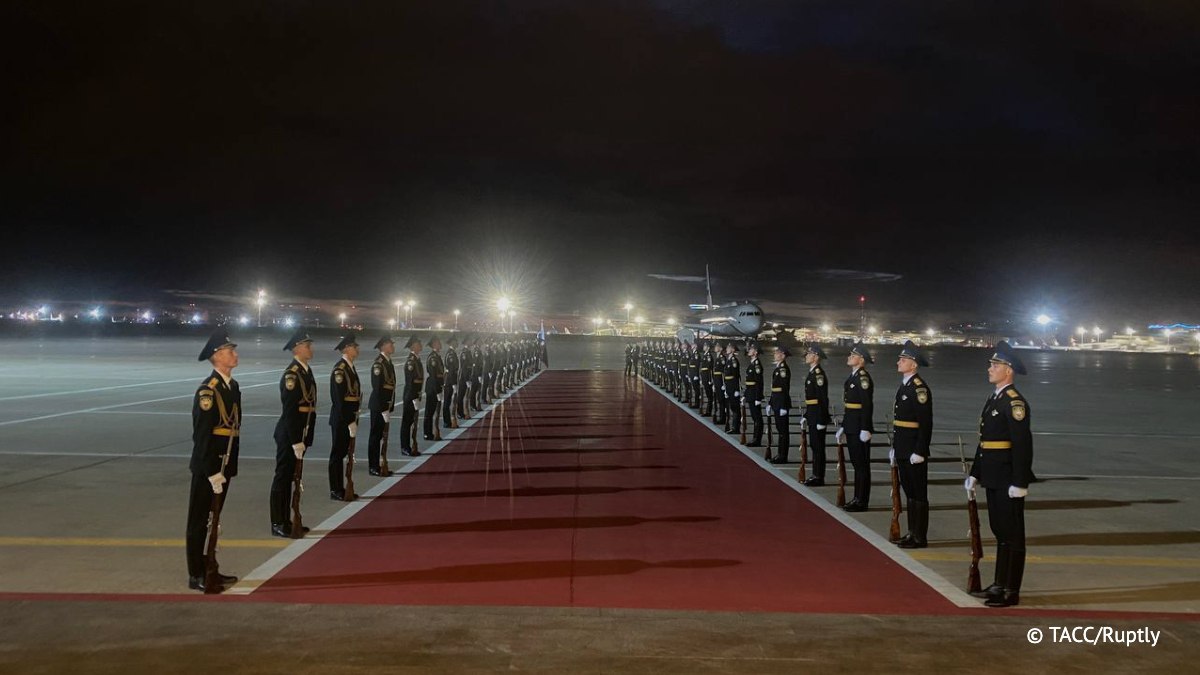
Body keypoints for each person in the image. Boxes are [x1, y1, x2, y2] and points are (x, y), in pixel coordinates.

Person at [966, 341, 1033, 607]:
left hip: (1007, 478)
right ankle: (998, 583)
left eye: (995, 365)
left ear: (1009, 370)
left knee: (1012, 535)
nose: (990, 368)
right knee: (1000, 532)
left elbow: (1022, 445)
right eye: (991, 364)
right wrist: (975, 473)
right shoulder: (995, 399)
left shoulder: (1015, 403)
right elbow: (985, 441)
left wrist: (1020, 481)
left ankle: (1010, 590)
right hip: (993, 476)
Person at [186, 328, 241, 591]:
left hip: (224, 464)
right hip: (208, 467)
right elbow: (202, 435)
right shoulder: (208, 391)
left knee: (214, 519)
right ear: (217, 356)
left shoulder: (232, 386)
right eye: (229, 351)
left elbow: (233, 429)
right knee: (200, 521)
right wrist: (211, 471)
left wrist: (227, 467)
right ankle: (196, 573)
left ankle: (211, 567)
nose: (235, 355)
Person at [270, 328, 316, 538]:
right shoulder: (292, 374)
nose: (310, 348)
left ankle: (288, 520)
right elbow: (290, 410)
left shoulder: (305, 371)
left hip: (300, 432)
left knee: (291, 477)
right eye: (307, 346)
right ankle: (278, 522)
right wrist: (296, 440)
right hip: (289, 434)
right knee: (283, 477)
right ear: (297, 348)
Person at [891, 340, 933, 549]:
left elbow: (925, 423)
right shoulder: (906, 385)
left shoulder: (919, 388)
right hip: (903, 447)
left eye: (903, 359)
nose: (899, 362)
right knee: (909, 492)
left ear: (913, 364)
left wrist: (920, 450)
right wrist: (896, 447)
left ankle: (920, 536)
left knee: (918, 493)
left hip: (913, 450)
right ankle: (912, 532)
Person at [837, 343, 874, 512]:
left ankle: (861, 500)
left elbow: (866, 404)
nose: (849, 357)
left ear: (861, 360)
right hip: (852, 425)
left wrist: (866, 428)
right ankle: (856, 497)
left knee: (861, 465)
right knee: (856, 464)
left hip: (859, 427)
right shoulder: (853, 377)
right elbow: (849, 407)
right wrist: (844, 426)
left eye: (853, 355)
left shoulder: (863, 378)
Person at [328, 332, 361, 500]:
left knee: (343, 453)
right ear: (347, 348)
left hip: (349, 418)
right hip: (342, 419)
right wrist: (349, 421)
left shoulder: (350, 367)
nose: (357, 349)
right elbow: (339, 399)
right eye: (354, 346)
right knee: (337, 454)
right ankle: (336, 489)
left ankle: (341, 487)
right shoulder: (340, 370)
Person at [366, 334, 396, 477]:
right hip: (379, 406)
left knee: (381, 436)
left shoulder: (388, 362)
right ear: (383, 346)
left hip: (385, 405)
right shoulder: (379, 364)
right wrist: (384, 408)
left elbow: (391, 386)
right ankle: (373, 466)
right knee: (375, 437)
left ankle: (379, 464)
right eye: (390, 344)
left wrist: (390, 405)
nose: (392, 346)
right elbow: (378, 388)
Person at [802, 345, 831, 486]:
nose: (806, 356)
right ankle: (815, 474)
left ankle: (818, 476)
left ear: (816, 357)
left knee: (818, 447)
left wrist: (821, 418)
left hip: (817, 415)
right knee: (814, 445)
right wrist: (807, 415)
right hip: (813, 413)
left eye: (809, 354)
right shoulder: (812, 373)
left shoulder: (818, 374)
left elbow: (822, 398)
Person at [399, 335, 424, 456]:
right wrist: (414, 397)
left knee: (411, 422)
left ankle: (409, 446)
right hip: (410, 396)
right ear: (413, 346)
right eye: (418, 344)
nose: (421, 345)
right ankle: (405, 447)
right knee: (407, 422)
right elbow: (410, 382)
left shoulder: (416, 360)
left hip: (415, 395)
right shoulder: (411, 361)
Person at [768, 345, 792, 463]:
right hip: (776, 402)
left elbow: (784, 388)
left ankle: (782, 455)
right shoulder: (778, 368)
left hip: (781, 403)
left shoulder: (783, 369)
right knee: (780, 429)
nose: (775, 354)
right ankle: (780, 454)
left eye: (777, 353)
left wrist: (783, 406)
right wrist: (770, 402)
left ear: (782, 355)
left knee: (783, 431)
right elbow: (775, 389)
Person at [423, 335, 445, 440]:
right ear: (434, 344)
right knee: (429, 412)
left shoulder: (437, 356)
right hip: (433, 387)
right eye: (438, 342)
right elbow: (434, 375)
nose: (440, 344)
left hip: (436, 386)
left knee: (432, 411)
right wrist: (437, 391)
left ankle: (430, 432)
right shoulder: (433, 358)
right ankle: (427, 433)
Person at [744, 341, 765, 447]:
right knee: (754, 417)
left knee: (757, 418)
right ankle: (755, 438)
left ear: (756, 352)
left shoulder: (757, 365)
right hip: (750, 393)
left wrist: (758, 397)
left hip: (754, 394)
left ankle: (757, 439)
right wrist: (745, 394)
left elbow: (759, 382)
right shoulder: (752, 363)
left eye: (751, 349)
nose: (749, 350)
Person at [724, 341, 742, 435]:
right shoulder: (729, 359)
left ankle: (736, 427)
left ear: (733, 350)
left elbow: (736, 376)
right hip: (729, 386)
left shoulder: (734, 361)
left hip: (733, 387)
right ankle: (733, 426)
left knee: (735, 408)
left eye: (729, 347)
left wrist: (736, 389)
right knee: (732, 407)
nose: (727, 349)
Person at [443, 335, 460, 428]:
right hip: (449, 380)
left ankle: (449, 421)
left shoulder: (453, 353)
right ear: (452, 342)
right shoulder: (450, 354)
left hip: (451, 379)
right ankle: (447, 422)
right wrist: (453, 383)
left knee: (449, 401)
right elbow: (451, 369)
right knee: (447, 402)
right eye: (456, 341)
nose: (457, 343)